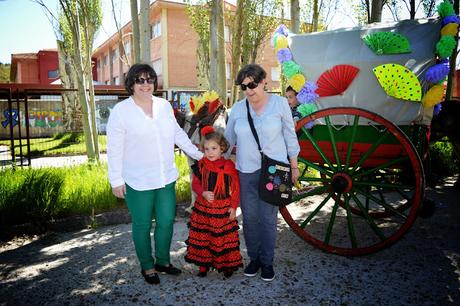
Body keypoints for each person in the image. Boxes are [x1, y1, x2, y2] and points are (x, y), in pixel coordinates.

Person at [106, 63, 203, 285]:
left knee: (167, 221)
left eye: (149, 79)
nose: (145, 84)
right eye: (139, 80)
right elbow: (114, 149)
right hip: (137, 180)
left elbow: (177, 133)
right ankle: (147, 266)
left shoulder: (163, 106)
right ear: (130, 83)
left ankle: (162, 261)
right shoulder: (121, 112)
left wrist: (198, 154)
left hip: (165, 177)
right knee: (141, 225)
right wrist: (116, 180)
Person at [224, 64, 300, 282]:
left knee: (267, 218)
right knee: (249, 218)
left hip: (274, 171)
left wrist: (294, 166)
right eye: (244, 86)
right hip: (246, 171)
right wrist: (213, 163)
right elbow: (228, 142)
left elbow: (289, 136)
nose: (249, 90)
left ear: (264, 81)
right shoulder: (238, 109)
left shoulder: (279, 104)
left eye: (253, 84)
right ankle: (254, 259)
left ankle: (267, 262)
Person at [185, 126, 243, 278]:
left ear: (222, 148)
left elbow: (236, 189)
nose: (210, 152)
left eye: (214, 148)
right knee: (204, 238)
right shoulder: (201, 165)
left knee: (222, 238)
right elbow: (195, 184)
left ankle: (226, 265)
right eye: (206, 149)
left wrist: (233, 207)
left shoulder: (229, 166)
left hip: (222, 209)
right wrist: (202, 192)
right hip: (203, 209)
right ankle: (203, 265)